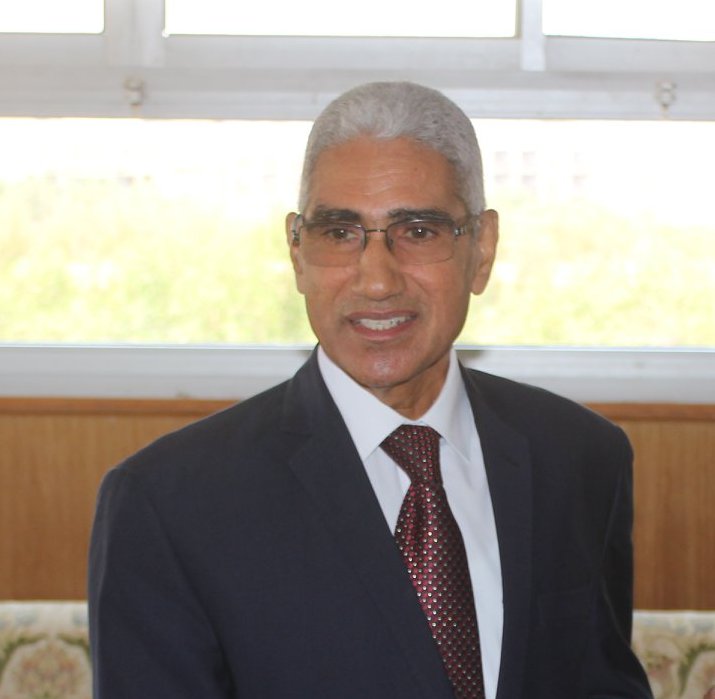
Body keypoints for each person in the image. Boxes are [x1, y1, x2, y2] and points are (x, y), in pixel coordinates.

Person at [88, 81, 653, 698]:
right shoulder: (168, 504)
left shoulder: (581, 458)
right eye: (339, 233)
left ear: (482, 250)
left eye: (419, 231)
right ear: (297, 253)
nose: (377, 281)